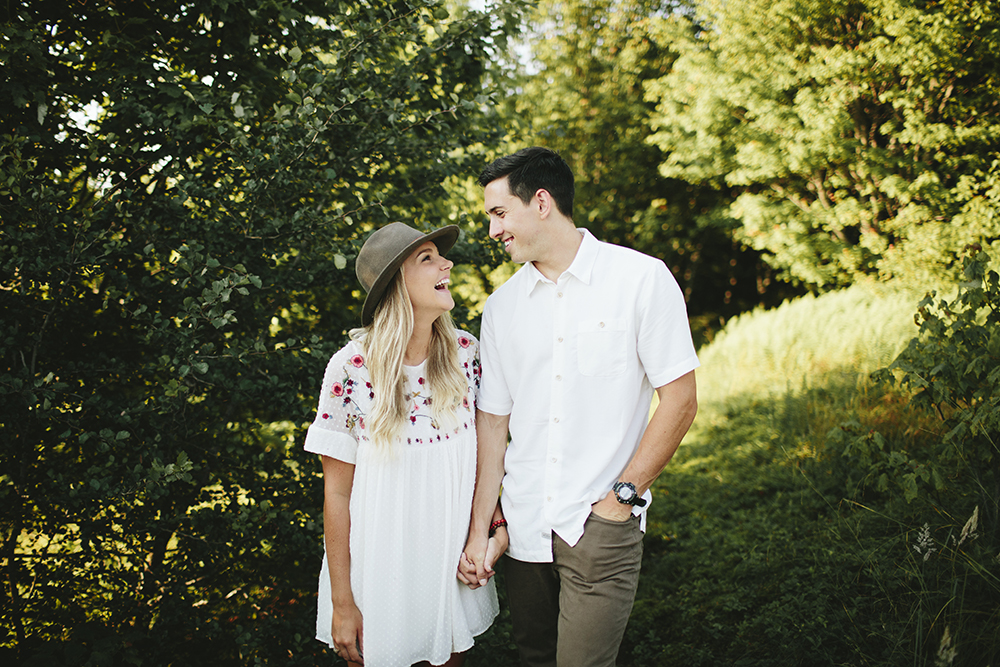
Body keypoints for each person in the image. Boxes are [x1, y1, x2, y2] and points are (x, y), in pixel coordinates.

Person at [457, 147, 700, 667]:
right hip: (523, 532)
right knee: (536, 658)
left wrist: (621, 501)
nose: (493, 230)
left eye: (499, 213)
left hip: (600, 526)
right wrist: (481, 528)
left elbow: (680, 399)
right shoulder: (500, 308)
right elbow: (493, 423)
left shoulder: (641, 279)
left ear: (541, 202)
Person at [304, 222, 507, 667]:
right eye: (428, 258)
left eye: (441, 255)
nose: (447, 263)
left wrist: (494, 529)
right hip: (379, 575)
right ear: (397, 282)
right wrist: (343, 602)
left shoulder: (465, 354)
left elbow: (483, 459)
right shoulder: (351, 369)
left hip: (448, 568)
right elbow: (336, 495)